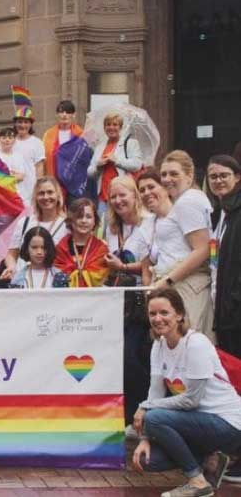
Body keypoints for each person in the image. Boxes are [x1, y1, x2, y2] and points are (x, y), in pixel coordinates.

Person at [132, 288, 241, 497]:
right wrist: (144, 438)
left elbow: (192, 400)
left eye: (164, 312)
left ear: (180, 314)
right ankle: (211, 459)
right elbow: (154, 394)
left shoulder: (196, 343)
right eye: (152, 314)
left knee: (155, 417)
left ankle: (198, 482)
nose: (157, 319)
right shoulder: (159, 345)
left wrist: (146, 407)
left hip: (228, 423)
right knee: (149, 461)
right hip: (199, 423)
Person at [143, 152, 214, 340]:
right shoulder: (187, 199)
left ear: (190, 175)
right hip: (182, 284)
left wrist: (167, 281)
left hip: (187, 286)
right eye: (164, 174)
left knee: (187, 348)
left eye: (174, 174)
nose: (167, 179)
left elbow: (203, 249)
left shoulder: (188, 201)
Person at [104, 175, 154, 429]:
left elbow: (151, 262)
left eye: (123, 194)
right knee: (120, 358)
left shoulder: (149, 223)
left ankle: (142, 412)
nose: (118, 200)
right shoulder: (111, 227)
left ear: (135, 195)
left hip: (141, 302)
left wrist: (123, 266)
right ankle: (125, 416)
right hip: (117, 302)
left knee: (134, 357)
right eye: (113, 196)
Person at [207, 155, 241, 359]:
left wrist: (235, 301)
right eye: (213, 176)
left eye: (224, 175)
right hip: (221, 302)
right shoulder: (220, 211)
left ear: (237, 177)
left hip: (234, 306)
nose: (218, 180)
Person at [1, 176, 68, 281]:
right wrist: (11, 268)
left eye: (50, 192)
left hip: (53, 282)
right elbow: (11, 255)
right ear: (35, 197)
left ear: (58, 195)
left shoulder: (67, 225)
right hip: (24, 281)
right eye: (41, 193)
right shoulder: (24, 223)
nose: (46, 197)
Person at [87, 112, 143, 216]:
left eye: (115, 124)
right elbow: (90, 172)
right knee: (103, 231)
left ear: (120, 127)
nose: (111, 127)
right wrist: (98, 166)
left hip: (123, 197)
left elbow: (137, 165)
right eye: (108, 124)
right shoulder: (99, 147)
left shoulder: (131, 143)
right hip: (103, 198)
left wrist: (116, 161)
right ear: (104, 128)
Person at [54, 198, 109, 287]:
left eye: (88, 217)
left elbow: (102, 278)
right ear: (71, 220)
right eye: (79, 216)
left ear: (94, 221)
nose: (84, 221)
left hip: (95, 299)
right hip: (67, 298)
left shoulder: (101, 249)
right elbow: (56, 273)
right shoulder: (60, 248)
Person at [42, 100, 87, 197]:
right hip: (54, 182)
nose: (64, 115)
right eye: (61, 112)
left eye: (68, 112)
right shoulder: (48, 134)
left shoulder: (81, 134)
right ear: (57, 115)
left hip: (74, 183)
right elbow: (44, 159)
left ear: (73, 115)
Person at [0, 126, 34, 207]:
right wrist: (12, 175)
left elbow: (21, 176)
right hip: (1, 195)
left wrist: (6, 175)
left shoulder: (19, 156)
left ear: (14, 140)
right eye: (4, 137)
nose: (7, 140)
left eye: (10, 138)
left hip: (19, 194)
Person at [12, 107, 45, 180]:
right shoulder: (9, 142)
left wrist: (38, 186)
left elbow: (39, 167)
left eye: (26, 122)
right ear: (15, 123)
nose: (22, 125)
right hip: (13, 187)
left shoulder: (37, 143)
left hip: (31, 187)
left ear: (31, 124)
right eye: (20, 122)